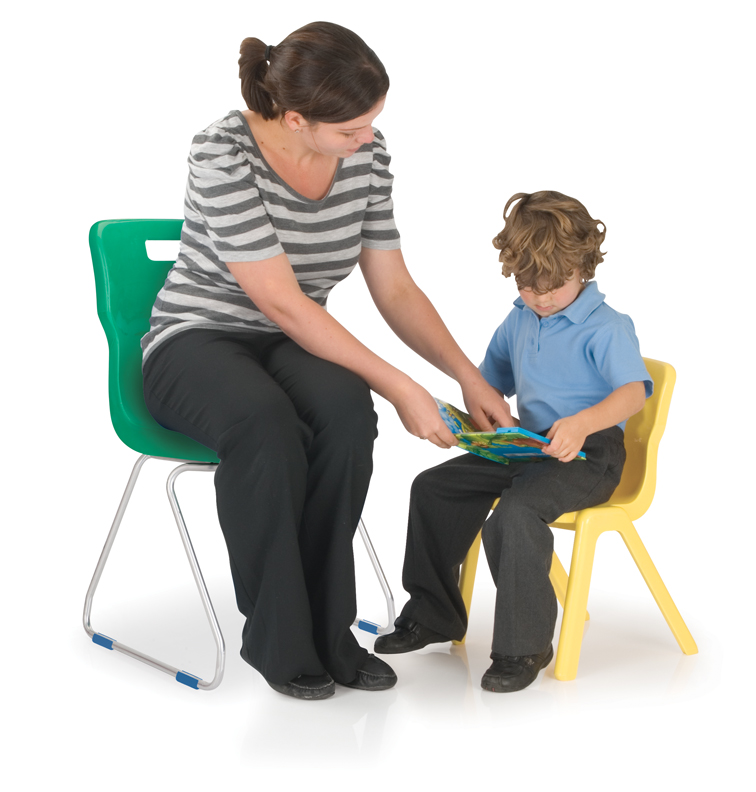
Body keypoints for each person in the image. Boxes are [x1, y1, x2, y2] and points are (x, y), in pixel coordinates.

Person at [141, 21, 511, 700]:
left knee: (345, 413)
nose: (366, 138)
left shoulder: (368, 155)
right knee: (264, 423)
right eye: (350, 129)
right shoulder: (222, 151)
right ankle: (280, 640)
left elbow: (394, 287)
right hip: (196, 337)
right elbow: (280, 302)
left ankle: (331, 631)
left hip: (294, 340)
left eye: (372, 121)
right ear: (294, 119)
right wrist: (401, 386)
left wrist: (466, 375)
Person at [375, 191, 653, 692]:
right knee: (433, 489)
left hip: (589, 453)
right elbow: (490, 383)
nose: (540, 298)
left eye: (553, 285)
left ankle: (524, 647)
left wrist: (583, 422)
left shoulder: (606, 327)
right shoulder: (520, 318)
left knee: (515, 515)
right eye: (527, 285)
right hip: (527, 446)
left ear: (583, 267)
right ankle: (434, 614)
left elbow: (634, 392)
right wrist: (470, 424)